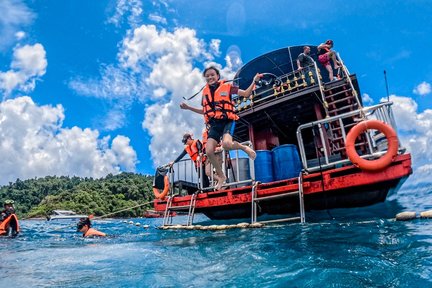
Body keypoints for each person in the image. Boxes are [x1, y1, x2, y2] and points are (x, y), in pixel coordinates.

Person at [180, 66, 261, 190]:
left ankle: (244, 147)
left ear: (218, 76)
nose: (210, 77)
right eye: (207, 76)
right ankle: (221, 177)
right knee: (208, 151)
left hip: (227, 120)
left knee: (227, 144)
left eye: (212, 75)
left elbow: (245, 93)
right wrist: (188, 107)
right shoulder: (205, 92)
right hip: (214, 125)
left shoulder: (228, 87)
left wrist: (254, 81)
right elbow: (205, 111)